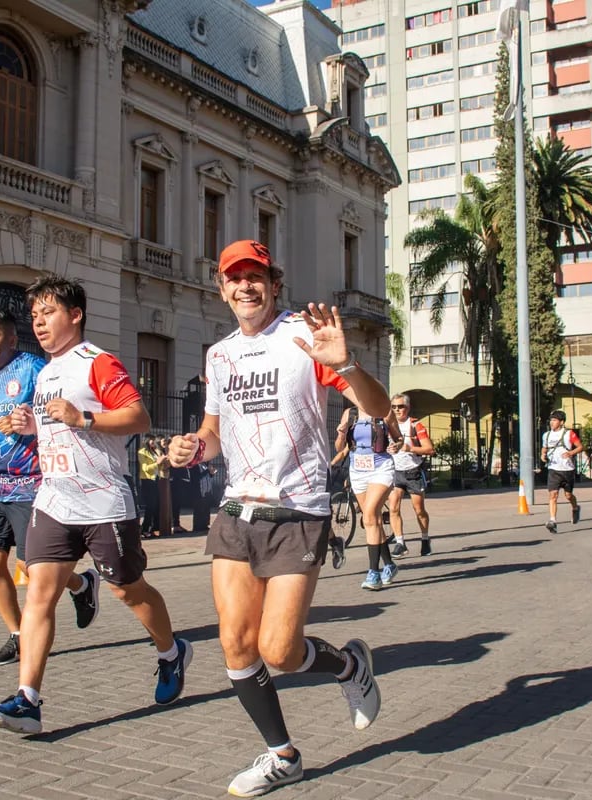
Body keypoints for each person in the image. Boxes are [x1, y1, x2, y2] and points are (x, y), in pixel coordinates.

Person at [167, 240, 386, 796]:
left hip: (298, 512)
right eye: (234, 277)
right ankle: (282, 755)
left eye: (255, 276)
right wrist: (192, 448)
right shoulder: (218, 356)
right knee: (236, 645)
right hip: (237, 511)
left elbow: (378, 409)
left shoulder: (304, 339)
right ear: (221, 288)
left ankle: (348, 666)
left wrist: (348, 365)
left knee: (280, 652)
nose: (245, 286)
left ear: (274, 284)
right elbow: (214, 434)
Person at [0, 276, 191, 735]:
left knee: (128, 590)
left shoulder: (97, 362)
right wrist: (30, 424)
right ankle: (28, 700)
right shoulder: (45, 373)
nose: (39, 324)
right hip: (54, 499)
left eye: (48, 314)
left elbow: (139, 416)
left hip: (103, 501)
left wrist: (84, 417)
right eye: (34, 317)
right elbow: (58, 431)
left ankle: (172, 651)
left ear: (74, 315)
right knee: (38, 592)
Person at [0, 309, 98, 667]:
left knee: (33, 570)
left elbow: (55, 411)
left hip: (31, 483)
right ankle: (19, 635)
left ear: (11, 340)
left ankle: (80, 586)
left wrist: (26, 420)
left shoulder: (34, 368)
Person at [335, 405, 401, 590]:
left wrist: (397, 445)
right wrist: (341, 433)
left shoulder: (385, 411)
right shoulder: (350, 414)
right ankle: (389, 565)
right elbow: (340, 447)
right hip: (358, 471)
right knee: (374, 520)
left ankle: (374, 573)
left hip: (381, 469)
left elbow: (398, 438)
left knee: (370, 516)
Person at [387, 394, 435, 556]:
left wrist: (409, 448)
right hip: (395, 472)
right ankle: (400, 543)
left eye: (400, 407)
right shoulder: (387, 425)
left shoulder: (415, 425)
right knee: (393, 507)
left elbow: (429, 449)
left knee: (419, 510)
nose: (397, 410)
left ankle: (425, 538)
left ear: (407, 408)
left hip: (413, 472)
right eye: (393, 407)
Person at [539, 409, 582, 534]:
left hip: (567, 469)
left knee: (568, 495)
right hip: (553, 469)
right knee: (553, 495)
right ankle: (553, 520)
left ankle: (575, 507)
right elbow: (544, 448)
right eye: (551, 420)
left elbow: (580, 447)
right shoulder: (546, 435)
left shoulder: (569, 434)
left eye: (554, 420)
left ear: (561, 422)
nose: (552, 423)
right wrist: (543, 455)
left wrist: (570, 453)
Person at [137, 434, 162, 536]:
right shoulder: (142, 452)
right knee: (150, 506)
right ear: (146, 440)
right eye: (151, 440)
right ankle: (145, 529)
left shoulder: (154, 451)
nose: (153, 442)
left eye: (154, 440)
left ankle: (155, 528)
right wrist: (157, 463)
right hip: (147, 480)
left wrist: (159, 452)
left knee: (157, 505)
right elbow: (145, 468)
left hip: (156, 479)